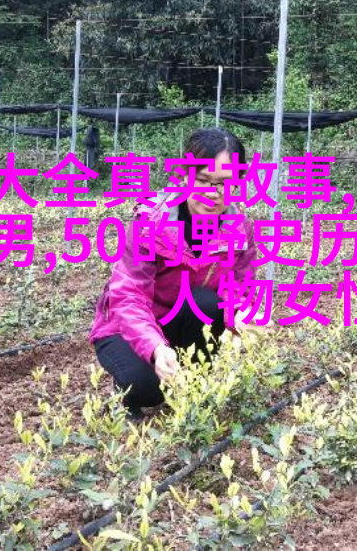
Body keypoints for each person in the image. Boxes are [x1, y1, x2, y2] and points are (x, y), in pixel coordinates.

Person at [89, 128, 260, 420]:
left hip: (179, 319)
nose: (213, 193)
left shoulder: (239, 229)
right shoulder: (151, 222)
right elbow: (129, 295)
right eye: (202, 180)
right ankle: (131, 388)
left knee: (208, 302)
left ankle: (189, 385)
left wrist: (242, 314)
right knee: (147, 389)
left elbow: (238, 288)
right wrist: (156, 348)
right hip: (127, 327)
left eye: (225, 183)